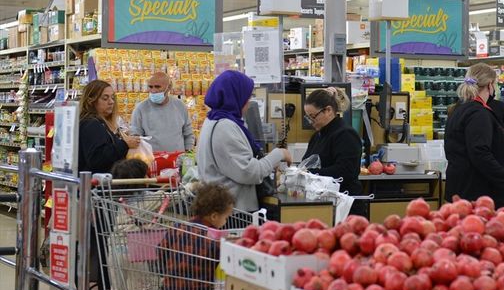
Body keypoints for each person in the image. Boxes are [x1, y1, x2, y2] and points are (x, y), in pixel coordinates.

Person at [79, 80, 140, 290]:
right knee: (100, 248)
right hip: (98, 196)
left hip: (99, 195)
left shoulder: (98, 123)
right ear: (92, 99)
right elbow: (97, 158)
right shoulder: (91, 124)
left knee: (98, 246)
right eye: (105, 97)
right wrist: (124, 144)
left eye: (112, 97)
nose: (110, 102)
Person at [444, 63, 504, 209]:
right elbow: (480, 154)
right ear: (489, 85)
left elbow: (490, 148)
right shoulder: (478, 114)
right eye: (496, 84)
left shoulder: (459, 109)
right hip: (479, 195)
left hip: (461, 190)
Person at [196, 70, 291, 212]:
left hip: (224, 208)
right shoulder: (224, 127)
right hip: (232, 212)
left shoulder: (212, 120)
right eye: (247, 96)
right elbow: (249, 172)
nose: (248, 101)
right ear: (235, 96)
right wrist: (279, 154)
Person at [99, 158, 162, 290]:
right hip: (136, 245)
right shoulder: (148, 199)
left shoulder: (119, 199)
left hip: (115, 244)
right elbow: (175, 196)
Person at [302, 87, 366, 216]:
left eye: (313, 116)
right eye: (308, 117)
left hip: (345, 208)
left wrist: (310, 173)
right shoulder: (318, 136)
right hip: (325, 204)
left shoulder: (345, 134)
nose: (310, 122)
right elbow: (307, 163)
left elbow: (346, 171)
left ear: (328, 111)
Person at [129, 71, 195, 152]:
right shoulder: (140, 108)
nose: (153, 90)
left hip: (177, 160)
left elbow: (188, 133)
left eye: (157, 87)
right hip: (152, 161)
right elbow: (135, 135)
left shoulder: (180, 106)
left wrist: (189, 152)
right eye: (150, 87)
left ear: (169, 87)